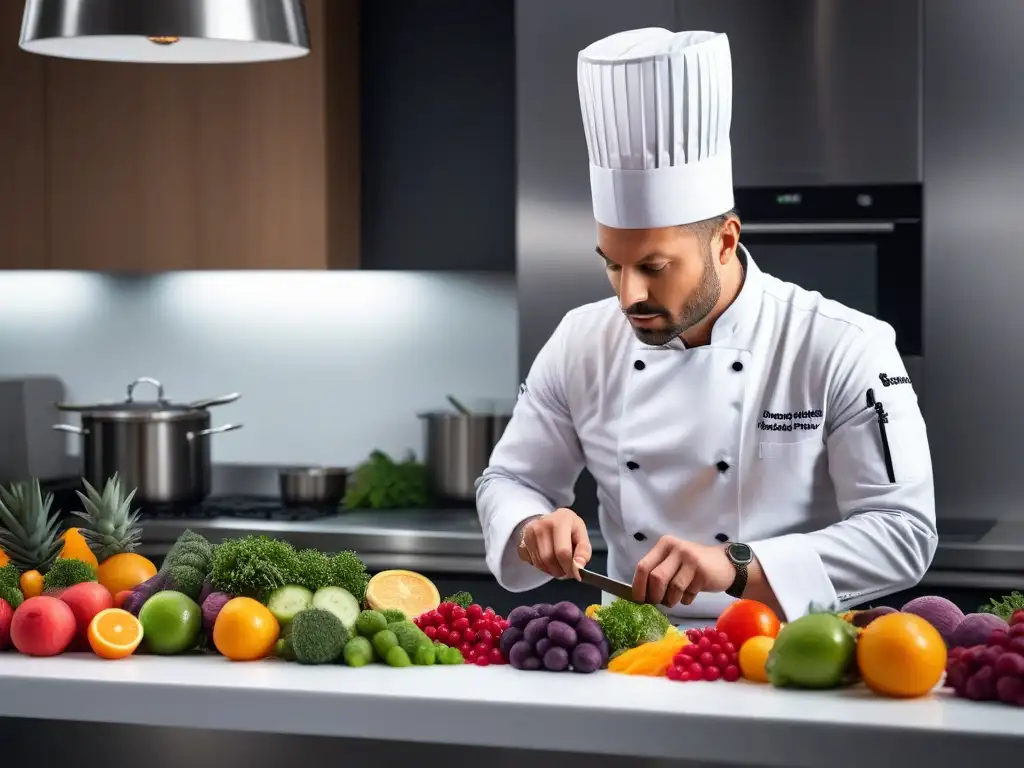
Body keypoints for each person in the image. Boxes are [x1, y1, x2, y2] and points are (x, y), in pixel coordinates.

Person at [476, 28, 937, 622]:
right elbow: (509, 478)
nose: (628, 295)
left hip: (787, 657)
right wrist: (532, 524)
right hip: (628, 655)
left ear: (725, 241)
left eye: (654, 267)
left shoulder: (842, 345)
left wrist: (738, 566)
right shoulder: (580, 341)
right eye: (612, 265)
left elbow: (902, 531)